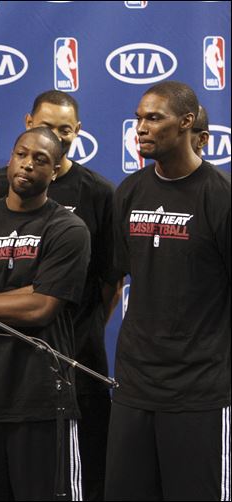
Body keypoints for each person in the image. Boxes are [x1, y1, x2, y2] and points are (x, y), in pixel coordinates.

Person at [0, 90, 120, 500]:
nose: (55, 136)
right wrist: (26, 301)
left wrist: (64, 322)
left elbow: (109, 282)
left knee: (78, 478)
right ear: (27, 124)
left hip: (74, 361)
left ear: (78, 131)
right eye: (44, 127)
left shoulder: (98, 192)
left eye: (64, 130)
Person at [0, 127, 91, 501]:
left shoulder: (68, 229)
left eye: (40, 160)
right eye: (21, 154)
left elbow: (41, 309)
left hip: (43, 401)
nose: (27, 164)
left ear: (56, 171)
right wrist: (28, 293)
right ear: (10, 158)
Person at [106, 81, 230, 501]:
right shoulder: (129, 192)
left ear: (186, 122)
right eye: (139, 118)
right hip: (134, 385)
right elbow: (116, 276)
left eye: (154, 118)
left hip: (199, 390)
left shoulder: (221, 197)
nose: (141, 127)